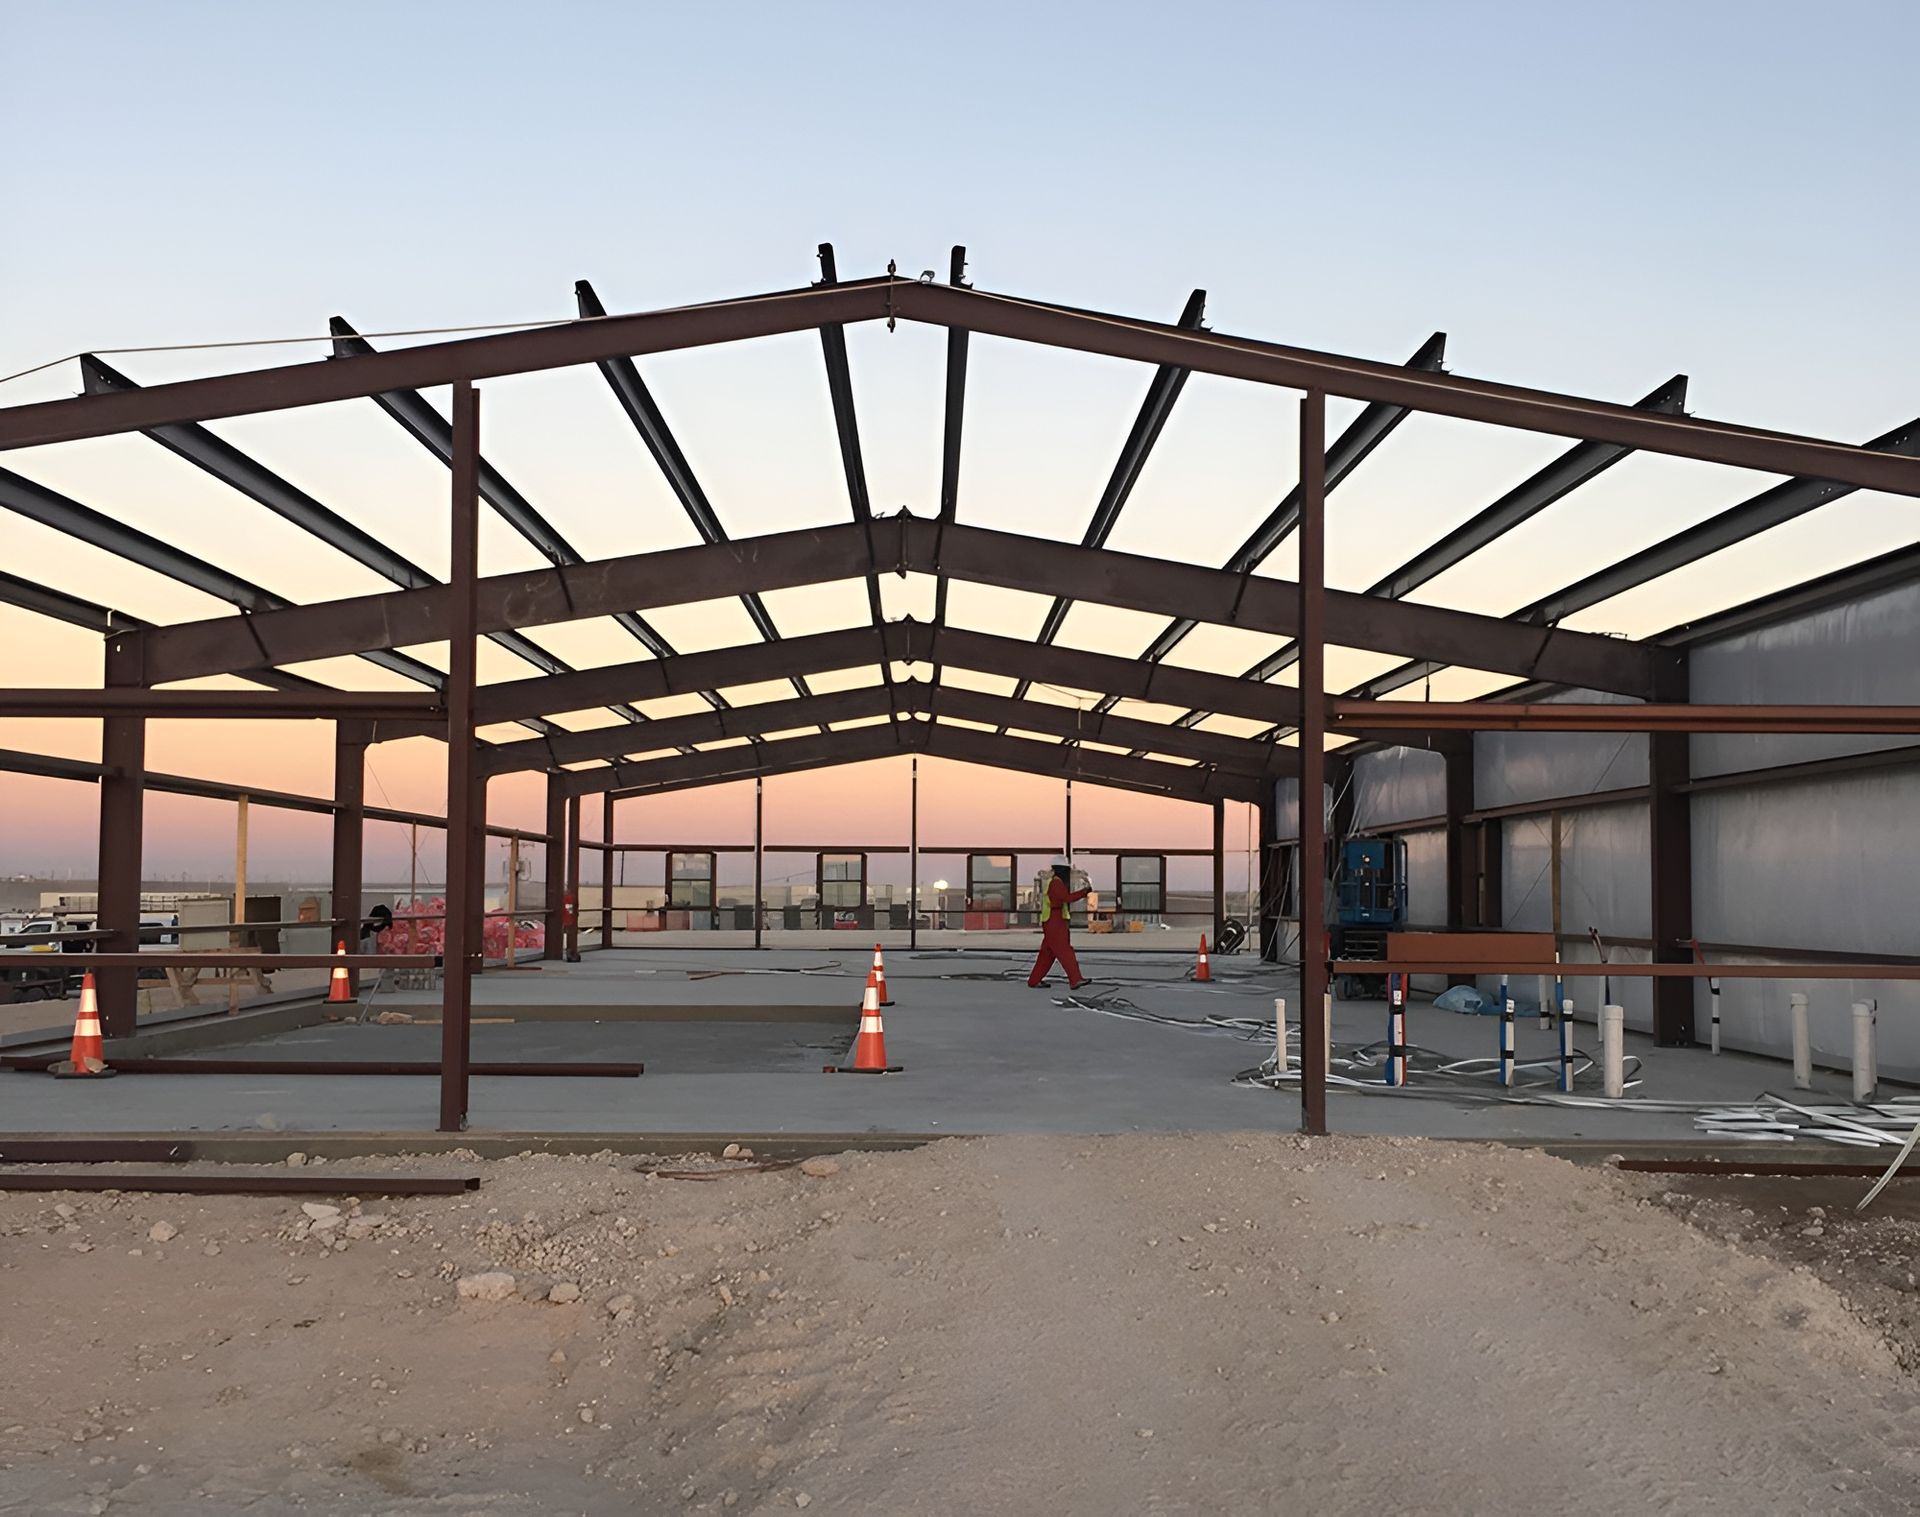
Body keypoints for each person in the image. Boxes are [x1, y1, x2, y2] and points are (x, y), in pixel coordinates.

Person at [1027, 861, 1092, 990]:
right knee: (1065, 951)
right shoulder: (1056, 883)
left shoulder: (1052, 882)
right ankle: (1075, 979)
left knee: (1047, 954)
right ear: (1062, 870)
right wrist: (1084, 892)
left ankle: (1034, 980)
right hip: (1055, 921)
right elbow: (1066, 898)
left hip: (1051, 920)